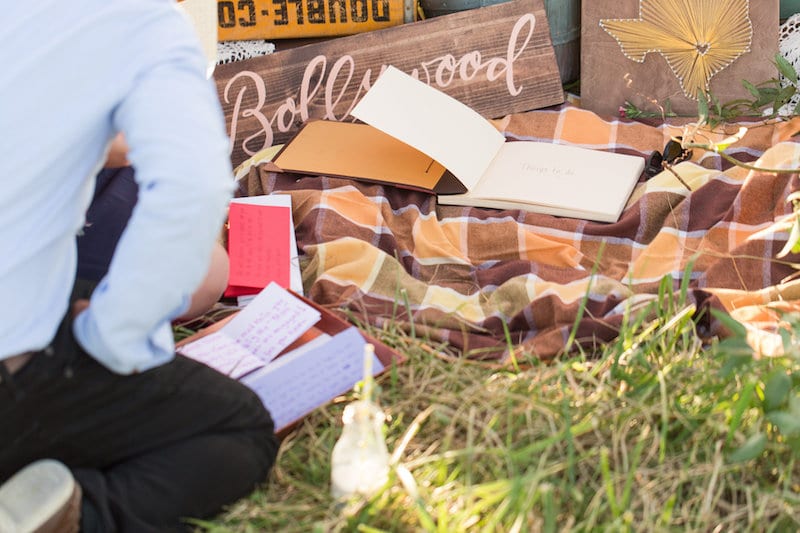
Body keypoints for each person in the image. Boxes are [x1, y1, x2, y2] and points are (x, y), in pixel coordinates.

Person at [0, 1, 279, 531]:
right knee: (235, 428)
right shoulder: (137, 23)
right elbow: (191, 186)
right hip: (15, 360)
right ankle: (72, 513)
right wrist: (114, 338)